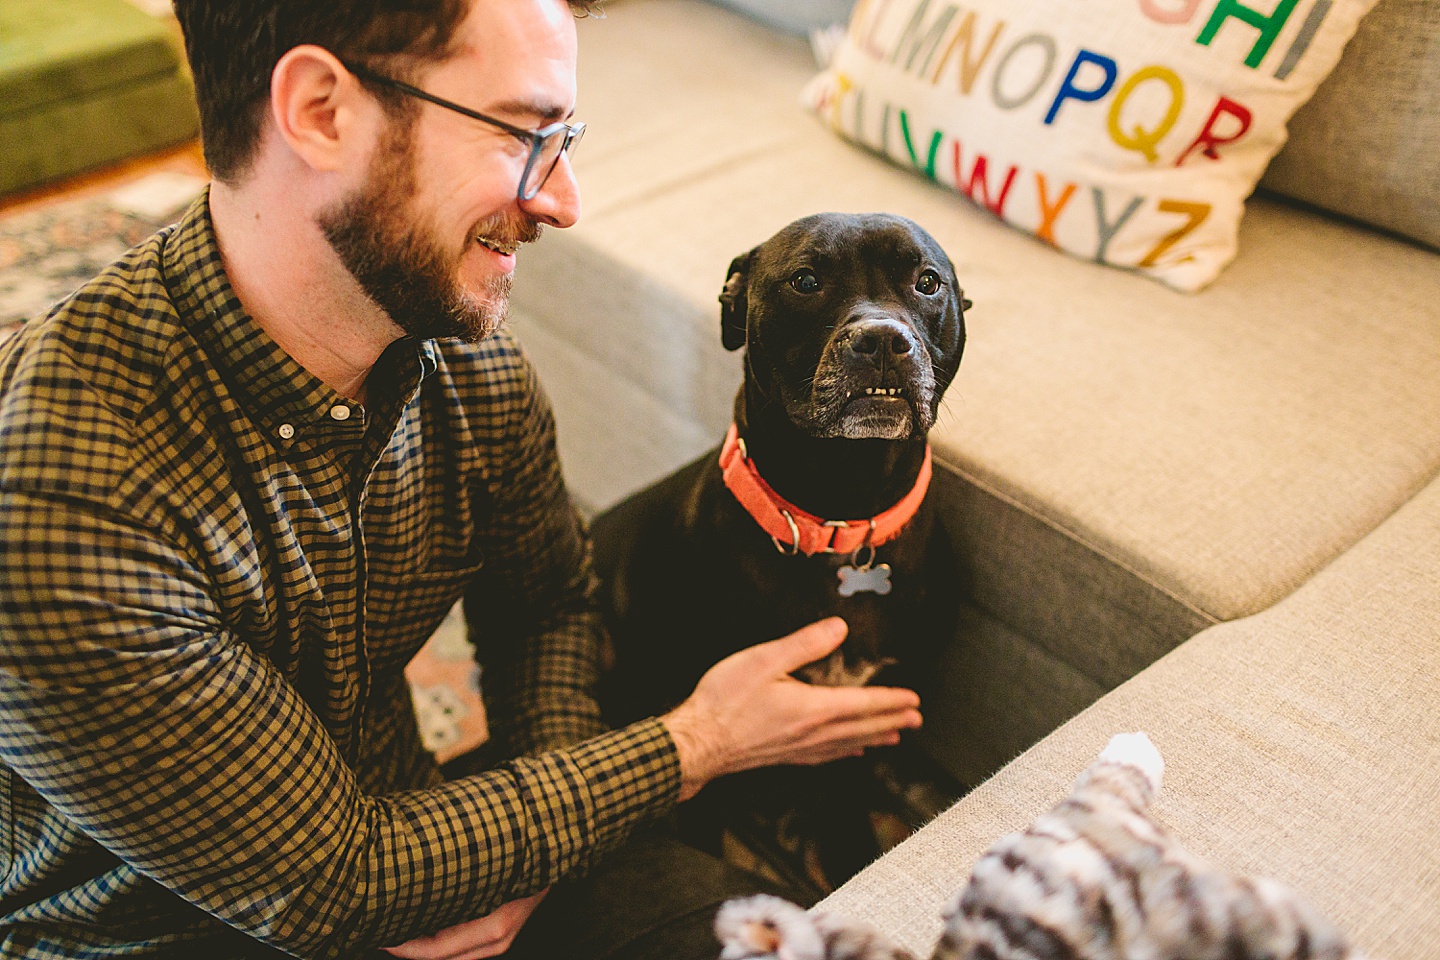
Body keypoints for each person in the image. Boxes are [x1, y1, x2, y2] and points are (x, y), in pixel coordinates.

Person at [0, 0, 926, 957]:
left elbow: (547, 606)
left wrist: (538, 858)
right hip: (141, 931)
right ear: (320, 109)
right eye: (524, 134)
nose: (565, 199)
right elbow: (335, 884)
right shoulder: (63, 502)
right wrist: (699, 741)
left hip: (413, 834)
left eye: (562, 136)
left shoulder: (467, 366)